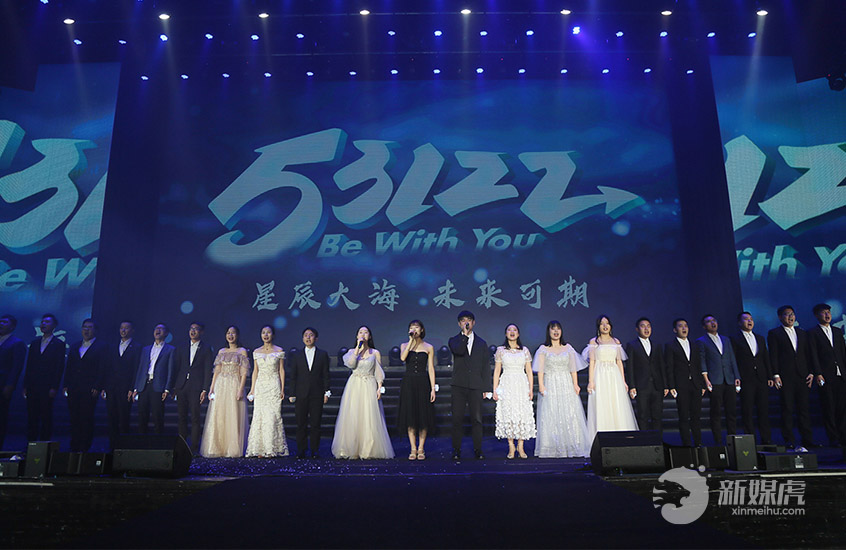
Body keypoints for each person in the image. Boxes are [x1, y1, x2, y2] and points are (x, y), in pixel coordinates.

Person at [332, 326, 394, 459]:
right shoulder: (351, 352)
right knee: (353, 415)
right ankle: (351, 448)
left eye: (366, 332)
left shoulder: (375, 352)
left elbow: (378, 371)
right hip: (354, 385)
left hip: (369, 385)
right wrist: (357, 349)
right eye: (360, 332)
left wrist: (379, 387)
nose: (363, 334)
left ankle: (368, 449)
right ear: (357, 336)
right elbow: (351, 364)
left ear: (370, 336)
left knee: (368, 416)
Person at [534, 320, 590, 458]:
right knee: (551, 413)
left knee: (570, 412)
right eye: (553, 329)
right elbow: (541, 370)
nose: (556, 331)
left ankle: (572, 445)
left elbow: (573, 368)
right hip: (550, 383)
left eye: (558, 329)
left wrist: (575, 384)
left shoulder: (568, 348)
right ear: (548, 331)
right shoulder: (543, 349)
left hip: (566, 383)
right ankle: (552, 447)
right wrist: (541, 385)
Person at [767, 305, 816, 451]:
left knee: (804, 409)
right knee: (787, 408)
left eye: (792, 314)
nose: (790, 317)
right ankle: (789, 439)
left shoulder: (802, 333)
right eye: (787, 314)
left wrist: (811, 372)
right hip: (785, 377)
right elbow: (773, 355)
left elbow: (808, 354)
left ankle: (807, 439)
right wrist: (775, 375)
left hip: (802, 375)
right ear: (780, 317)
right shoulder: (774, 333)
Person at [584, 315, 637, 443]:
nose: (605, 326)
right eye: (602, 323)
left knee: (616, 403)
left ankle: (619, 436)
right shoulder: (594, 342)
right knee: (602, 404)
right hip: (600, 375)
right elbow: (592, 362)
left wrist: (623, 381)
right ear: (598, 326)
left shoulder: (616, 341)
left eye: (607, 323)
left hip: (614, 376)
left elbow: (619, 362)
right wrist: (591, 381)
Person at [448, 310, 492, 460]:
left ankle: (478, 450)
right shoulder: (454, 340)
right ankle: (456, 450)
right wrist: (465, 336)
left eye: (469, 320)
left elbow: (485, 366)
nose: (466, 323)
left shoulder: (481, 343)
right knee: (457, 419)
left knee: (477, 420)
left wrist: (486, 388)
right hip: (459, 385)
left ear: (474, 323)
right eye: (463, 320)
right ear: (459, 324)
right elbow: (459, 351)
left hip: (476, 385)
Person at [200, 326, 249, 458]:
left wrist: (241, 390)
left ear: (237, 335)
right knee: (219, 415)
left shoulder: (242, 351)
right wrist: (211, 388)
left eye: (233, 333)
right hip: (221, 384)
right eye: (228, 333)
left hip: (234, 384)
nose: (230, 335)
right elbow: (217, 371)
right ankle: (217, 447)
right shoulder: (221, 351)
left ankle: (231, 448)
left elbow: (244, 373)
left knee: (232, 414)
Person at [493, 324, 536, 459]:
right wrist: (495, 389)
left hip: (521, 384)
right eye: (509, 330)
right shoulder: (501, 350)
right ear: (506, 334)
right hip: (507, 384)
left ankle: (521, 446)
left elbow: (529, 371)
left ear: (518, 334)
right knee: (509, 413)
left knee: (522, 413)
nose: (512, 332)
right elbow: (497, 371)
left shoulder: (524, 350)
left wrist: (531, 389)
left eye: (515, 330)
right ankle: (511, 445)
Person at [730, 312, 774, 445]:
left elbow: (765, 357)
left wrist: (770, 376)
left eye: (751, 319)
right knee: (747, 410)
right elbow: (733, 360)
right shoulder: (734, 339)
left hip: (761, 378)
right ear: (739, 323)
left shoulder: (760, 338)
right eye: (746, 319)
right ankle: (750, 439)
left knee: (763, 410)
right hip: (746, 378)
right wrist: (736, 377)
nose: (749, 321)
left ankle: (766, 439)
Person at [246, 325, 289, 458]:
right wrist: (252, 389)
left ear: (273, 335)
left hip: (273, 385)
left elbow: (281, 370)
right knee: (259, 416)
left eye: (268, 332)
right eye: (263, 332)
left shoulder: (279, 350)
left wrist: (282, 388)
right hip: (260, 386)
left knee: (272, 415)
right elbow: (255, 371)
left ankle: (271, 448)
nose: (265, 335)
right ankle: (259, 449)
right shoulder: (256, 351)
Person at [697, 314, 741, 445]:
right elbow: (702, 360)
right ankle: (718, 440)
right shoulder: (701, 341)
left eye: (714, 320)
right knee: (716, 411)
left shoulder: (725, 339)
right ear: (704, 326)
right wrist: (706, 379)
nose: (713, 323)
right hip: (714, 380)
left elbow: (732, 358)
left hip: (729, 379)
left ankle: (732, 438)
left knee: (731, 411)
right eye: (709, 322)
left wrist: (737, 376)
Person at [288, 327, 331, 459]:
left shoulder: (322, 354)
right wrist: (292, 393)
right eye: (306, 335)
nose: (308, 337)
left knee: (315, 424)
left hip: (317, 394)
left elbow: (326, 375)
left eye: (311, 335)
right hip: (301, 394)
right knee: (300, 424)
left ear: (316, 338)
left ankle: (314, 450)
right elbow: (293, 376)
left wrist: (327, 392)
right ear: (302, 338)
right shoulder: (297, 355)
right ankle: (301, 450)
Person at [63, 318, 106, 452]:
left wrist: (98, 386)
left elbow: (102, 368)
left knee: (86, 416)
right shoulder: (75, 346)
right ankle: (74, 444)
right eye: (84, 327)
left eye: (90, 327)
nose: (86, 330)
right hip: (74, 387)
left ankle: (85, 445)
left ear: (96, 330)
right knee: (74, 416)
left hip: (90, 388)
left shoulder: (101, 346)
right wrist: (66, 384)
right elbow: (69, 367)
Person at [172, 322, 214, 454]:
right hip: (181, 386)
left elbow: (207, 370)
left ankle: (194, 448)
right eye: (191, 329)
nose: (193, 331)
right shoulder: (181, 347)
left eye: (196, 329)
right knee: (181, 417)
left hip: (196, 387)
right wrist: (174, 387)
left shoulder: (206, 348)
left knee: (195, 417)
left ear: (201, 332)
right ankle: (182, 446)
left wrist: (204, 389)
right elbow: (176, 368)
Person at [808, 303, 846, 449]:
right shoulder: (813, 333)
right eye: (823, 312)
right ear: (816, 315)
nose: (827, 315)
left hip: (840, 375)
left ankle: (843, 436)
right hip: (825, 376)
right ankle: (833, 438)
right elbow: (813, 354)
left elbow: (842, 352)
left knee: (842, 408)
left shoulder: (837, 331)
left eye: (828, 312)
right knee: (829, 408)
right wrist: (818, 373)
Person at [396, 320, 436, 460]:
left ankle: (421, 448)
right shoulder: (404, 345)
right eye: (412, 327)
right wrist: (410, 341)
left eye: (417, 327)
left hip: (423, 382)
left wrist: (433, 388)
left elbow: (431, 368)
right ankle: (413, 448)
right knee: (410, 416)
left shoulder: (429, 347)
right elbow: (403, 358)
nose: (414, 329)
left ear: (422, 330)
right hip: (409, 382)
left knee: (423, 416)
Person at [24, 314, 66, 441]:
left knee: (46, 415)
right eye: (42, 322)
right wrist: (25, 385)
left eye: (47, 322)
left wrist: (54, 387)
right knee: (32, 416)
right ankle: (30, 443)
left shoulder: (58, 344)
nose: (43, 324)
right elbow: (29, 365)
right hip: (33, 385)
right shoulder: (35, 343)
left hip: (47, 386)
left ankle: (44, 444)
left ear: (54, 325)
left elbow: (59, 367)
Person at [664, 318, 705, 447]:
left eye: (686, 326)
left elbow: (698, 365)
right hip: (681, 385)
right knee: (683, 416)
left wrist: (702, 384)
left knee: (696, 416)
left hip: (695, 384)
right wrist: (671, 385)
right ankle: (686, 444)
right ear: (675, 330)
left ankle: (698, 443)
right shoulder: (670, 345)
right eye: (680, 326)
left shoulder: (694, 344)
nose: (684, 328)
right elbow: (669, 367)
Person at [102, 321, 141, 449]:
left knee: (124, 418)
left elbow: (136, 369)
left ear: (132, 330)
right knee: (111, 417)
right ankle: (112, 446)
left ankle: (123, 447)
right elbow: (107, 367)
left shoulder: (137, 347)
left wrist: (132, 388)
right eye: (121, 328)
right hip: (111, 387)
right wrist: (104, 387)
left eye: (126, 328)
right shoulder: (112, 346)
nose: (123, 330)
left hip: (126, 388)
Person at [625, 317, 667, 434]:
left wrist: (665, 385)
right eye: (643, 326)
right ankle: (644, 441)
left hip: (657, 385)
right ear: (637, 329)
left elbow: (662, 366)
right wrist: (632, 386)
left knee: (657, 416)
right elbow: (630, 367)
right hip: (642, 386)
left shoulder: (657, 345)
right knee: (643, 415)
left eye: (648, 326)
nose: (646, 329)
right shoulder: (632, 345)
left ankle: (658, 441)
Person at [131, 324, 176, 434]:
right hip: (144, 385)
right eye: (156, 328)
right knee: (142, 415)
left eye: (161, 329)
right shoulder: (146, 349)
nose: (158, 331)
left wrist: (167, 389)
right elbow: (141, 368)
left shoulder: (170, 349)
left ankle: (158, 441)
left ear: (166, 333)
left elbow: (170, 370)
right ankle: (142, 440)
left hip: (158, 386)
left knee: (157, 416)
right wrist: (136, 388)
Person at [0, 314, 27, 449]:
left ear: (12, 326)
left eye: (5, 322)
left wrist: (10, 385)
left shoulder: (17, 343)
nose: (1, 324)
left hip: (3, 384)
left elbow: (17, 367)